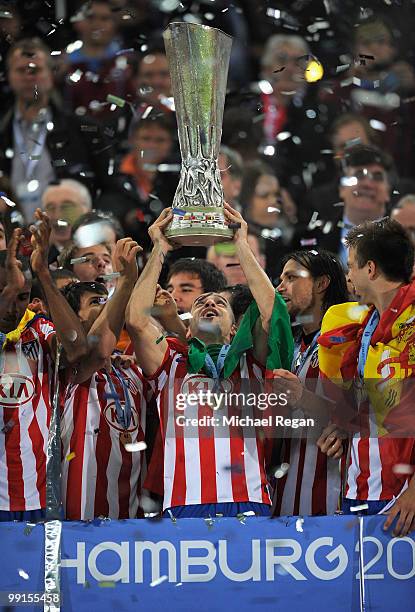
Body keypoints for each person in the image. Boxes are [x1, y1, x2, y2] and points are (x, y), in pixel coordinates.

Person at [125, 203, 293, 518]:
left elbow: (273, 311)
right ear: (187, 327)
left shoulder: (249, 363)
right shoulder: (173, 361)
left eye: (219, 302)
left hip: (249, 502)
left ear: (234, 328)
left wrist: (241, 245)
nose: (210, 302)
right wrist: (159, 248)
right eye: (202, 301)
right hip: (183, 504)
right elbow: (136, 320)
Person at [317, 218, 415, 536]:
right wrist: (344, 425)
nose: (348, 277)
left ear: (370, 269)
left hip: (403, 497)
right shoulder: (362, 326)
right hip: (360, 490)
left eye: (353, 267)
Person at [0, 209, 87, 521]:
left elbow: (77, 348)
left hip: (34, 496)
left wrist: (44, 275)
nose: (15, 305)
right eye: (5, 293)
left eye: (22, 296)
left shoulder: (37, 329)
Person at [60, 237, 148, 520]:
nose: (106, 306)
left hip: (133, 513)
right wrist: (126, 280)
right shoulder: (70, 369)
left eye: (105, 300)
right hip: (81, 515)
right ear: (75, 318)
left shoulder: (132, 370)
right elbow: (97, 350)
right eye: (96, 302)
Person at [0, 37, 131, 222]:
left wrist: (92, 225)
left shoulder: (84, 129)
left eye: (35, 70)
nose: (29, 77)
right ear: (9, 76)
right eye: (21, 70)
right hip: (10, 237)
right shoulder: (2, 132)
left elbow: (114, 190)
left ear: (51, 75)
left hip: (68, 240)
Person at [273, 250, 349, 516]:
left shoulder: (349, 342)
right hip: (283, 497)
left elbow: (361, 415)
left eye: (291, 277)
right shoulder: (289, 346)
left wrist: (301, 396)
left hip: (332, 498)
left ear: (321, 284)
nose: (280, 287)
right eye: (280, 278)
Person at [291, 144, 393, 268]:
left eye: (377, 177)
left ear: (388, 191)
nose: (368, 184)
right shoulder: (310, 238)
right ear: (342, 188)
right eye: (359, 175)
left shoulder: (405, 238)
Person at [41, 179, 93, 261]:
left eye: (67, 207)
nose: (57, 216)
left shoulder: (108, 257)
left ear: (87, 211)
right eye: (51, 208)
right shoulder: (38, 261)